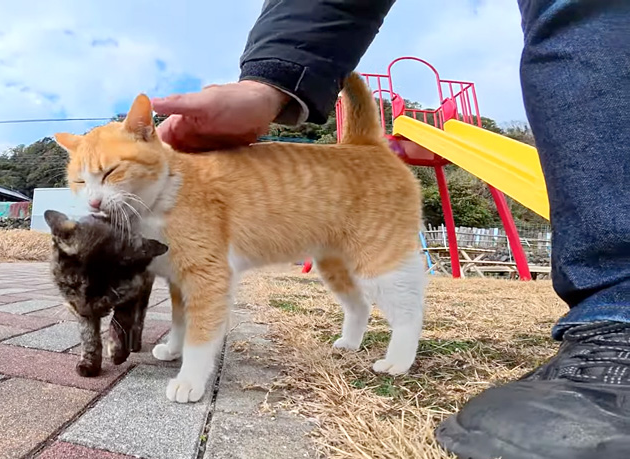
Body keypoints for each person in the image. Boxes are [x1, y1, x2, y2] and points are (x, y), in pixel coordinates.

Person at [152, 0, 630, 457]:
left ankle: (407, 335)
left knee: (378, 264)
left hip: (363, 182)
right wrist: (271, 80)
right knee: (335, 269)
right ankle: (356, 325)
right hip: (320, 174)